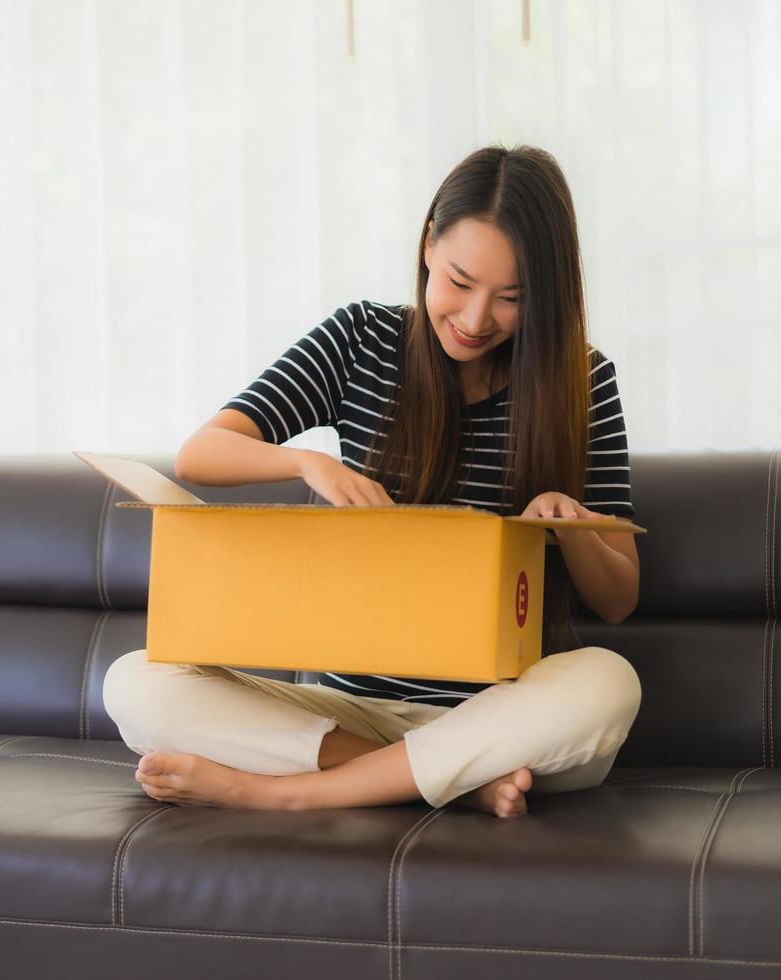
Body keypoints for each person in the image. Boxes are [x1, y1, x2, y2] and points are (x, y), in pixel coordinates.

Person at [101, 144, 642, 818]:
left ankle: (285, 793)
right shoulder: (362, 339)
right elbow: (201, 454)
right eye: (459, 281)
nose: (476, 320)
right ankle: (438, 782)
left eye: (512, 299)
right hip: (352, 716)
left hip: (503, 718)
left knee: (609, 681)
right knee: (135, 683)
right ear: (426, 247)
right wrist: (307, 462)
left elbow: (618, 599)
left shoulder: (582, 382)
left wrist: (575, 529)